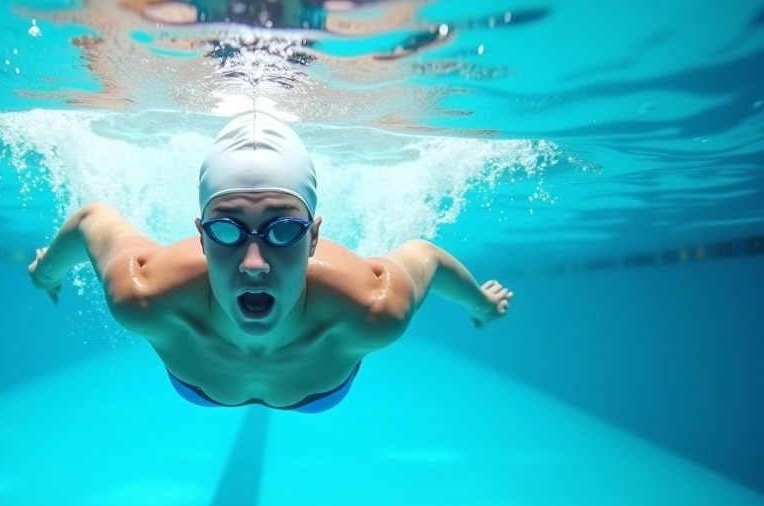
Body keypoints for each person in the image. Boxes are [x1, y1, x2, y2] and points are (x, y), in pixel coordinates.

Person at [27, 111, 512, 413]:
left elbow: (423, 256)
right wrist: (46, 269)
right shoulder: (144, 295)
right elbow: (94, 219)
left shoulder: (372, 309)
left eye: (283, 230)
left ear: (315, 237)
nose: (254, 263)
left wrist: (480, 304)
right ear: (200, 236)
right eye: (225, 229)